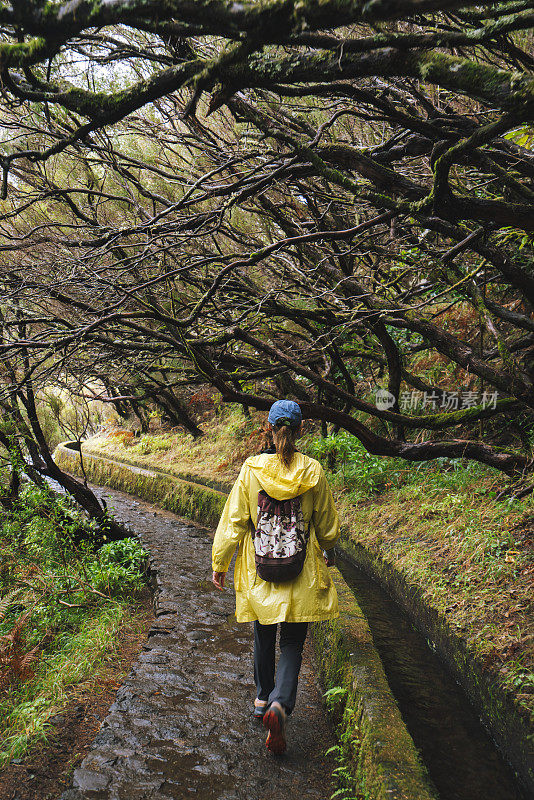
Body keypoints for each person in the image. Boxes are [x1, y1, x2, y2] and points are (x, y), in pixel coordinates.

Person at [211, 399, 340, 755]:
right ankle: (280, 704)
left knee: (263, 633)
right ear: (301, 431)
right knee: (293, 643)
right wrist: (329, 551)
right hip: (301, 571)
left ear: (267, 429)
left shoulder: (252, 470)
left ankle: (262, 698)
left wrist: (220, 561)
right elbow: (326, 526)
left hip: (260, 571)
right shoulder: (312, 470)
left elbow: (235, 519)